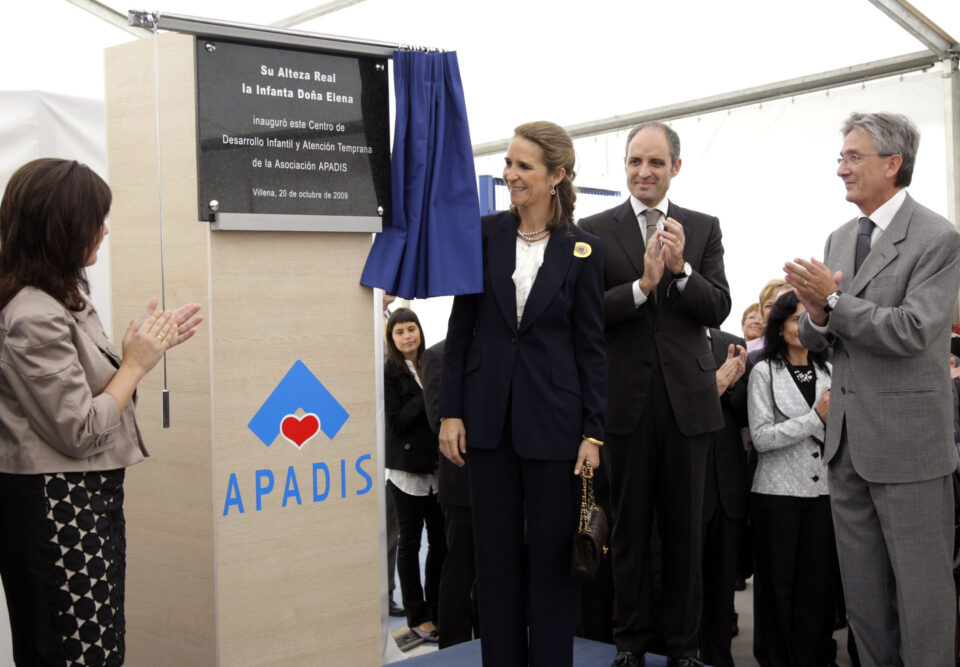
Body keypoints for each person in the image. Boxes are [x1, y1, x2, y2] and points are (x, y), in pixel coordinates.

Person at [0, 158, 202, 666]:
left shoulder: (58, 299)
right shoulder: (32, 315)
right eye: (95, 218)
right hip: (57, 508)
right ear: (60, 226)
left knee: (98, 644)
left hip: (83, 500)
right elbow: (80, 429)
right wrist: (135, 364)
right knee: (74, 649)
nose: (104, 230)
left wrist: (143, 350)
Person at [786, 111, 960, 666]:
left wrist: (833, 304)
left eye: (852, 157)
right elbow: (822, 334)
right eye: (841, 157)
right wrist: (814, 313)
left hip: (909, 450)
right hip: (847, 450)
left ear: (894, 162)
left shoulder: (938, 237)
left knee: (922, 601)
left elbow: (911, 330)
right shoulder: (839, 238)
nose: (841, 169)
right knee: (864, 606)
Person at [439, 120, 606, 666]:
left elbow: (591, 349)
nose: (510, 174)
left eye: (524, 166)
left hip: (556, 428)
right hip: (487, 424)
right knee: (495, 562)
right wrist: (451, 414)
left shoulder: (584, 249)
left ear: (557, 175)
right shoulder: (483, 234)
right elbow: (461, 331)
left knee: (554, 565)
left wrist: (593, 433)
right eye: (508, 164)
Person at [579, 122, 731, 667]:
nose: (645, 172)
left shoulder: (702, 227)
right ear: (624, 166)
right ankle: (631, 641)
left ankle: (685, 646)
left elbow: (718, 308)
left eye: (656, 163)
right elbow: (585, 313)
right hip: (624, 403)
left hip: (688, 405)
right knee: (628, 532)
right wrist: (642, 288)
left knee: (685, 535)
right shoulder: (593, 230)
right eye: (635, 161)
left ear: (675, 168)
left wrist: (681, 270)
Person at [747, 291, 837, 666]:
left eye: (808, 319)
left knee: (817, 586)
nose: (801, 327)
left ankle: (815, 656)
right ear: (779, 326)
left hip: (824, 493)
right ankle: (777, 658)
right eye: (793, 319)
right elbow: (762, 438)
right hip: (776, 495)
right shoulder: (763, 371)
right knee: (777, 586)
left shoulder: (830, 371)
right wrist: (815, 420)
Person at [383, 307, 446, 643]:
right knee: (410, 543)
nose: (408, 336)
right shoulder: (389, 374)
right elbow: (396, 423)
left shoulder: (434, 361)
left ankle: (437, 607)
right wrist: (426, 394)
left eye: (412, 329)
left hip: (439, 466)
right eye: (400, 332)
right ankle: (417, 615)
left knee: (441, 542)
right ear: (391, 339)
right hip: (406, 471)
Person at [421, 339, 479, 648]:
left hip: (501, 482)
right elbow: (436, 419)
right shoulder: (438, 355)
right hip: (460, 482)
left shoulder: (498, 351)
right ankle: (454, 646)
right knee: (459, 567)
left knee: (494, 571)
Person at [700, 328, 747, 667]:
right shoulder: (665, 338)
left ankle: (719, 657)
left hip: (728, 483)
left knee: (722, 585)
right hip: (686, 483)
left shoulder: (732, 344)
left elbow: (749, 413)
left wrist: (731, 386)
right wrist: (710, 387)